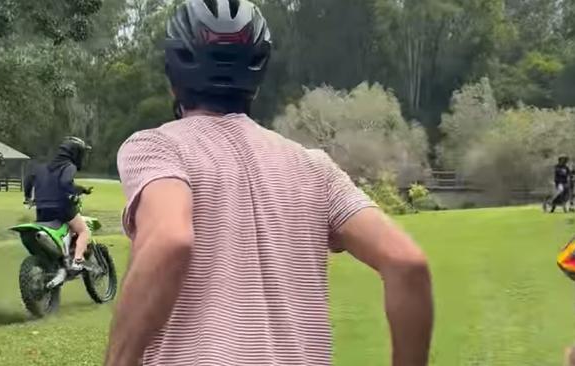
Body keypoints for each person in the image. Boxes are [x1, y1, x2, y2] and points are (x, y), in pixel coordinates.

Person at [105, 1, 434, 365]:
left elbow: (170, 239)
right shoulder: (314, 168)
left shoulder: (158, 148)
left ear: (172, 78)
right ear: (257, 79)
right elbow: (407, 263)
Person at [24, 136, 93, 271]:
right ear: (75, 152)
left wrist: (28, 197)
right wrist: (74, 192)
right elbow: (65, 182)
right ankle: (78, 260)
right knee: (84, 231)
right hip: (62, 208)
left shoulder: (43, 166)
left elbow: (28, 179)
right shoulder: (68, 166)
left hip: (42, 210)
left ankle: (59, 260)